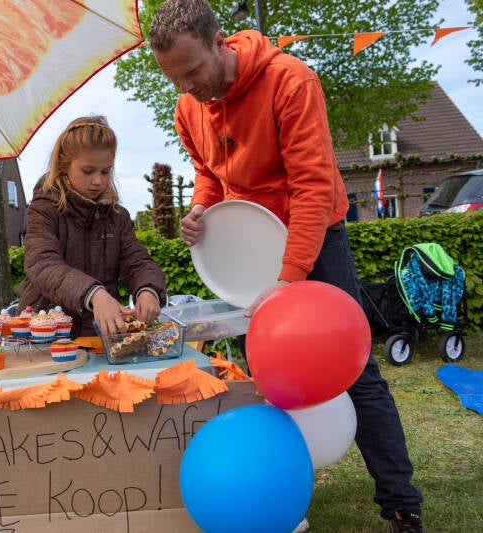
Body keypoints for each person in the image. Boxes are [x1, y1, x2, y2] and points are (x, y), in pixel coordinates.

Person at [149, 1, 425, 532]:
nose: (188, 89)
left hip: (315, 237)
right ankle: (274, 495)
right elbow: (208, 172)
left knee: (354, 367)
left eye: (193, 72)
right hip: (251, 248)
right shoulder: (188, 107)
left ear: (219, 42)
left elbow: (313, 189)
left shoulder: (290, 81)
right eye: (175, 79)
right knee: (269, 374)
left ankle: (400, 503)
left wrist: (289, 278)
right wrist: (201, 209)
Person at [17, 115, 167, 338]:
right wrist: (95, 294)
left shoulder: (118, 216)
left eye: (105, 171)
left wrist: (148, 289)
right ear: (64, 164)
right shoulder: (43, 209)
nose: (98, 180)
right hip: (46, 335)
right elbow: (42, 263)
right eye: (88, 171)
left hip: (101, 337)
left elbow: (137, 261)